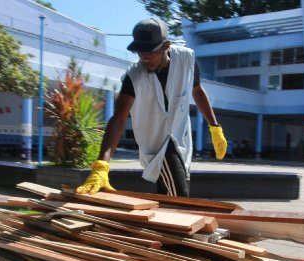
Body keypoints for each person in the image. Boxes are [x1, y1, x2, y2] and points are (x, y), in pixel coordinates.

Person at [76, 18, 226, 197]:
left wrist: (214, 127)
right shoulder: (134, 77)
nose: (144, 57)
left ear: (166, 46)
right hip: (157, 147)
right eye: (140, 52)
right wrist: (102, 165)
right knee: (179, 199)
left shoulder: (187, 60)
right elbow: (119, 118)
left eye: (150, 51)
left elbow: (197, 90)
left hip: (180, 141)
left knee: (169, 199)